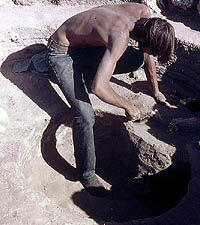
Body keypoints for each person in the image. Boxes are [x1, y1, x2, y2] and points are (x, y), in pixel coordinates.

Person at [46, 2, 175, 197]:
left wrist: (155, 91)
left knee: (136, 59)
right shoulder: (120, 37)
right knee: (85, 115)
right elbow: (99, 88)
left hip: (82, 46)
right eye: (153, 50)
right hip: (60, 51)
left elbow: (146, 55)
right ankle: (86, 174)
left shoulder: (142, 13)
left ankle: (85, 72)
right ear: (148, 39)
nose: (152, 54)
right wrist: (127, 105)